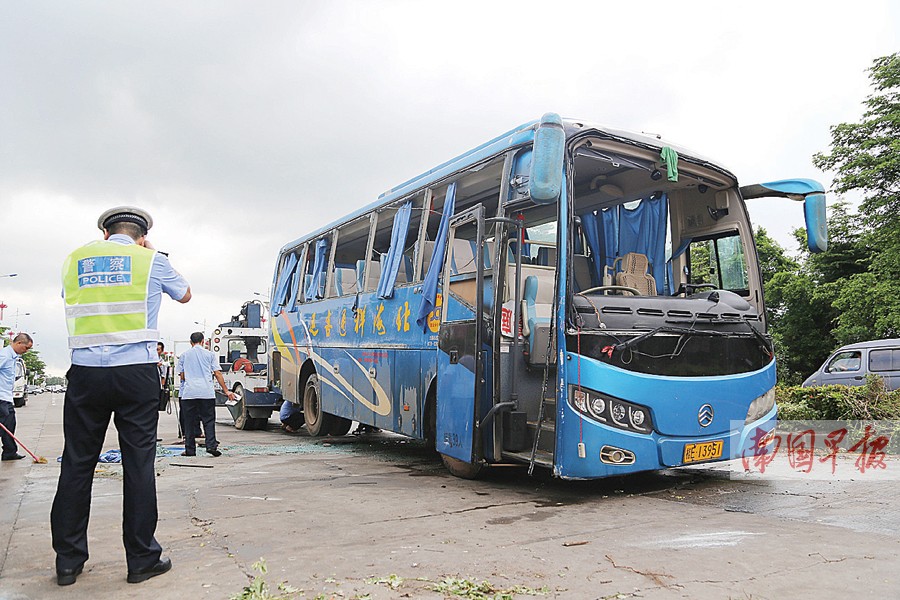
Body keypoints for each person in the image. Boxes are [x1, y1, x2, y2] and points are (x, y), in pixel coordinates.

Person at [51, 206, 191, 586]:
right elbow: (185, 295)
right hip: (135, 374)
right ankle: (142, 558)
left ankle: (68, 561)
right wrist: (149, 254)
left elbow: (70, 296)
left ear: (104, 233)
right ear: (141, 234)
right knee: (138, 463)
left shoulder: (75, 260)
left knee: (78, 462)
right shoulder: (151, 260)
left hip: (85, 375)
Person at [177, 332, 234, 457]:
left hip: (189, 393)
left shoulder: (184, 356)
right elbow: (217, 374)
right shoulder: (210, 355)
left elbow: (182, 376)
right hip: (206, 393)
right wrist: (226, 391)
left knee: (189, 422)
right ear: (203, 341)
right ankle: (211, 446)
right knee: (208, 420)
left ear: (190, 342)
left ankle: (190, 450)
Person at [0, 333, 34, 461]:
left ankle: (9, 452)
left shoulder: (13, 357)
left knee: (10, 424)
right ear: (19, 343)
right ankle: (9, 451)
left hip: (6, 397)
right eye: (26, 348)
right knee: (4, 426)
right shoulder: (4, 355)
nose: (26, 351)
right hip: (0, 398)